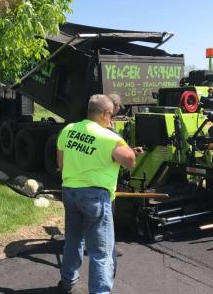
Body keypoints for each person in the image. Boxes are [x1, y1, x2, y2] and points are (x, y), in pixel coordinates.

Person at [56, 94, 143, 294]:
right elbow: (130, 161)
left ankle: (68, 283)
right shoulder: (110, 137)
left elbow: (61, 164)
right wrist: (123, 149)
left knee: (73, 240)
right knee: (101, 252)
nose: (111, 118)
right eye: (111, 114)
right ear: (105, 114)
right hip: (95, 198)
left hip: (70, 193)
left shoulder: (68, 130)